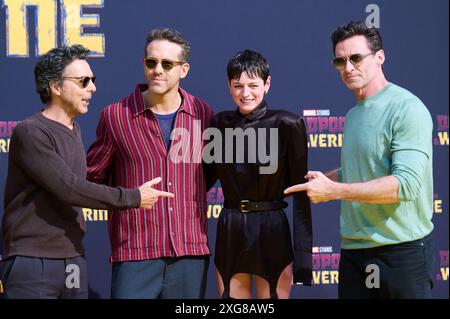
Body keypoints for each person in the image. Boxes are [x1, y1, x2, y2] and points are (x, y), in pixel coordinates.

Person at [0, 45, 173, 299]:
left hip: (72, 258)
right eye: (83, 81)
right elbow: (69, 187)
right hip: (33, 260)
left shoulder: (74, 130)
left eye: (92, 80)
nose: (92, 88)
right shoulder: (31, 131)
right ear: (56, 87)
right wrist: (133, 197)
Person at [285, 21, 435, 299]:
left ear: (380, 57)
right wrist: (327, 179)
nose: (348, 67)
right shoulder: (354, 114)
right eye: (340, 61)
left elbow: (404, 186)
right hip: (355, 253)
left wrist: (334, 192)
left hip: (401, 252)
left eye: (356, 58)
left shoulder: (407, 108)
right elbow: (367, 167)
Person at [86, 28, 214, 299]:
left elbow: (208, 175)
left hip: (189, 253)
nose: (158, 70)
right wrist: (129, 198)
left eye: (167, 64)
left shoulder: (203, 115)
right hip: (135, 254)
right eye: (151, 62)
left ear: (184, 70)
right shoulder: (116, 117)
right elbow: (91, 181)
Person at [205, 50, 312, 299]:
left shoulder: (288, 124)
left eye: (253, 85)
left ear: (267, 84)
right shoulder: (219, 124)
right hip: (231, 227)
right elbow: (201, 180)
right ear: (229, 86)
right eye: (238, 85)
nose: (245, 93)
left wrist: (304, 257)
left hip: (272, 228)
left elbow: (301, 193)